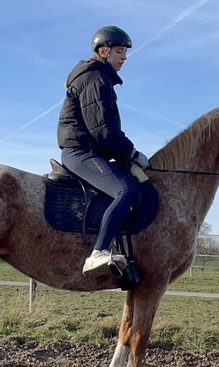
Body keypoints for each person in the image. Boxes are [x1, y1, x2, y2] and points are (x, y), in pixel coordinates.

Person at [57, 25, 152, 275]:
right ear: (103, 51)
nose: (124, 57)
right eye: (119, 51)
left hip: (90, 151)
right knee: (125, 191)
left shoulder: (100, 77)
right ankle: (97, 252)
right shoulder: (95, 78)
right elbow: (103, 130)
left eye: (125, 52)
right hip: (80, 152)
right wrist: (132, 153)